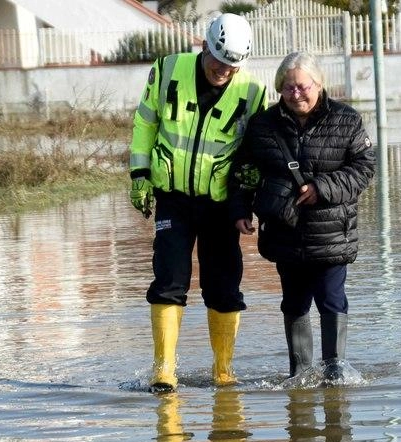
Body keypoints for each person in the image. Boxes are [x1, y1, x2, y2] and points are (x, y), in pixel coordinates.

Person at [128, 13, 268, 391]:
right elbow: (145, 124)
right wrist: (139, 175)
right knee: (170, 279)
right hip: (172, 197)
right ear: (204, 46)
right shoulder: (168, 69)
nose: (224, 71)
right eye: (219, 61)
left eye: (233, 65)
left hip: (221, 204)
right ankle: (164, 371)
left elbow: (254, 151)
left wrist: (249, 192)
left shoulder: (254, 92)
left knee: (223, 287)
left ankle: (223, 370)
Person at [228, 51, 375, 381]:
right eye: (288, 88)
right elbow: (244, 171)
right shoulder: (263, 126)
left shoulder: (347, 120)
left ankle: (335, 371)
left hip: (332, 232)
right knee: (293, 303)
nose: (296, 94)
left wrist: (322, 187)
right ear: (279, 89)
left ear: (319, 84)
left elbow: (364, 168)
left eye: (303, 87)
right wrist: (239, 208)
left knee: (331, 299)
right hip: (284, 232)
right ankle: (300, 373)